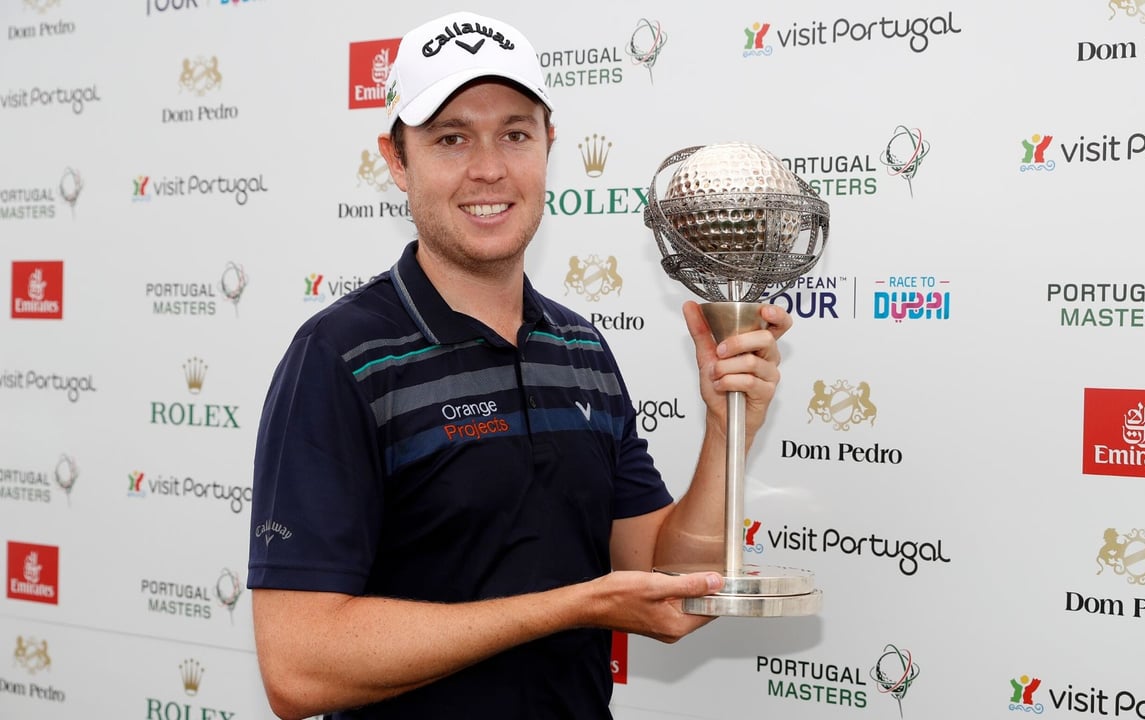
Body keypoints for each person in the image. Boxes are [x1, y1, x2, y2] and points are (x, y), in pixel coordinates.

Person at [247, 11, 792, 720]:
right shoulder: (339, 356)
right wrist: (573, 606)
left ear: (548, 145)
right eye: (451, 138)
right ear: (395, 159)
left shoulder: (581, 349)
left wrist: (726, 428)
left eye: (515, 133)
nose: (489, 169)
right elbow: (299, 668)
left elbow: (668, 577)